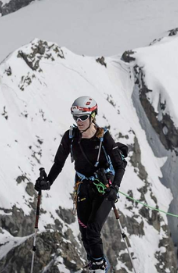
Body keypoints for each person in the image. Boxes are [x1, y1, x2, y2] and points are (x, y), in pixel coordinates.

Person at [35, 96, 128, 272]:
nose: (79, 121)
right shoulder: (70, 137)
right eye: (75, 117)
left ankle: (100, 266)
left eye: (83, 117)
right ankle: (94, 264)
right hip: (82, 187)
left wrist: (115, 188)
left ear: (93, 116)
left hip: (104, 188)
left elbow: (119, 165)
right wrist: (47, 182)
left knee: (93, 230)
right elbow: (58, 163)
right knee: (85, 234)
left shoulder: (104, 137)